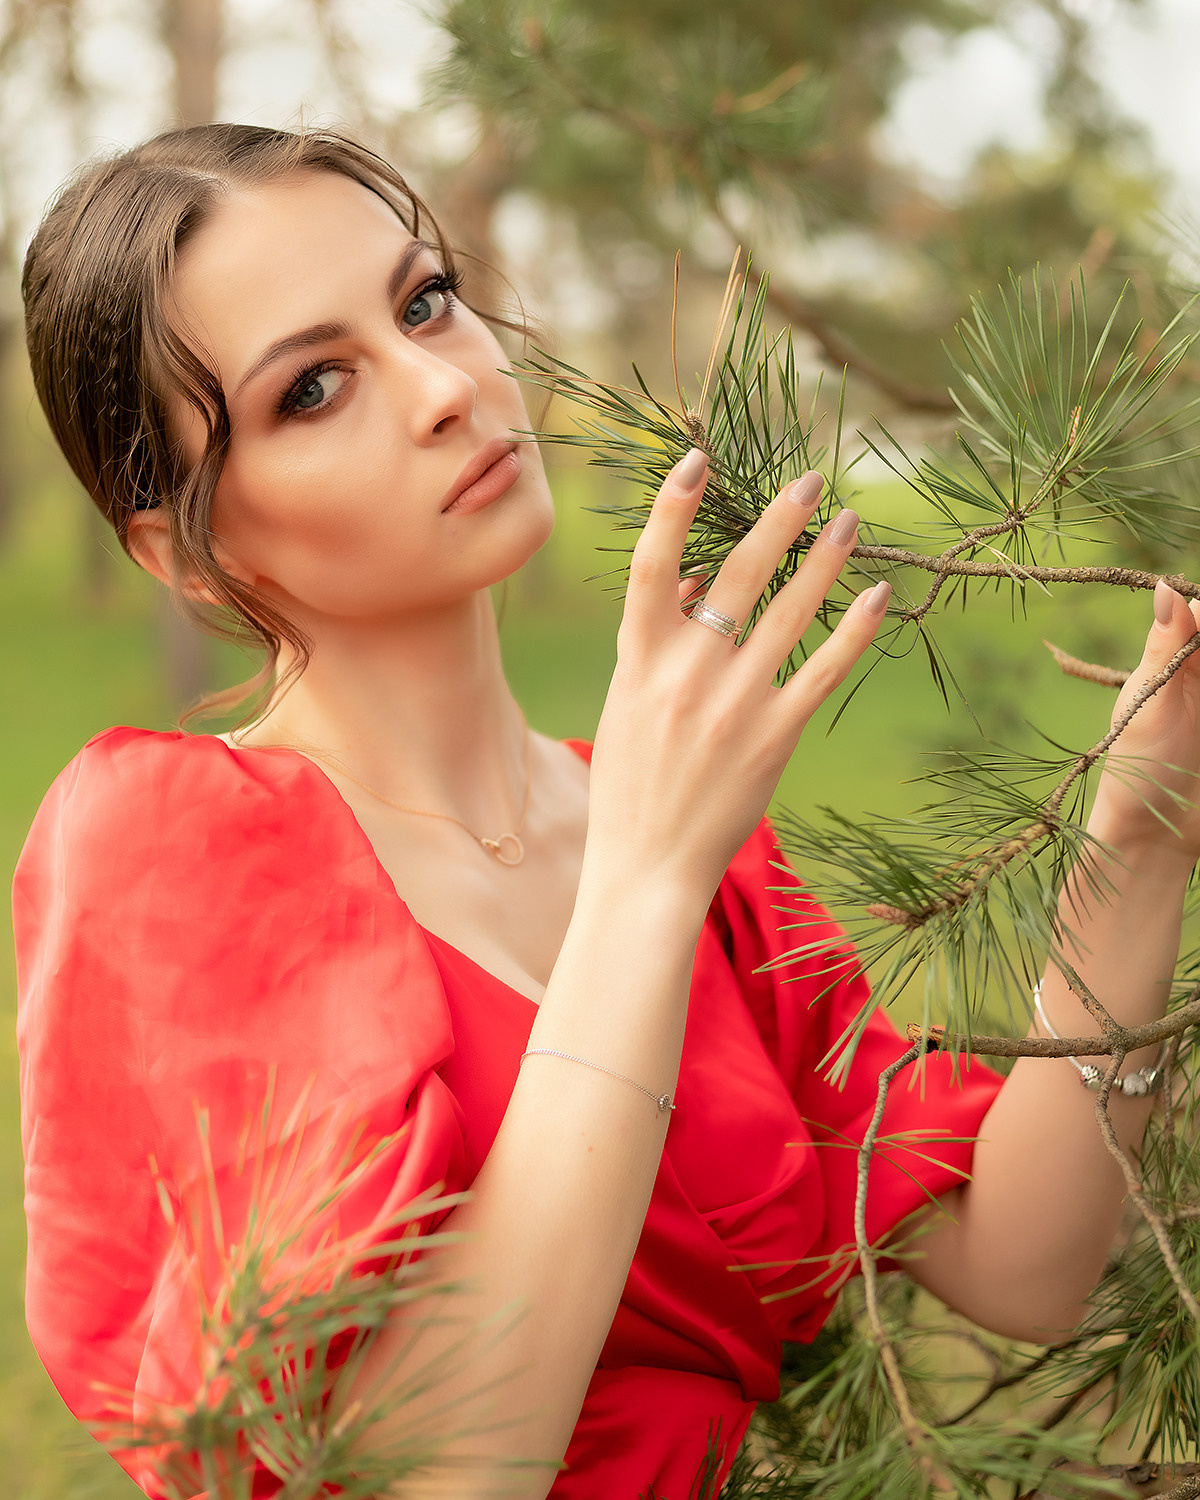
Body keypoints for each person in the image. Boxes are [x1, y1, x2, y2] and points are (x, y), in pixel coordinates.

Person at [13, 123, 1200, 1500]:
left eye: (424, 302)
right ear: (193, 555)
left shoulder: (681, 836)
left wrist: (1142, 830)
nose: (444, 386)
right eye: (317, 387)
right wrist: (642, 876)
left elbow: (1022, 1260)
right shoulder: (172, 851)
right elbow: (433, 1475)